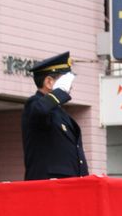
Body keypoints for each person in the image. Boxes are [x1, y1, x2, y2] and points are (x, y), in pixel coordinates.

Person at [22, 51, 89, 181]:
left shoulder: (59, 112)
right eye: (65, 81)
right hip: (48, 187)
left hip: (70, 184)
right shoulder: (34, 104)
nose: (70, 87)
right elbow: (40, 111)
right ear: (49, 82)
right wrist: (60, 91)